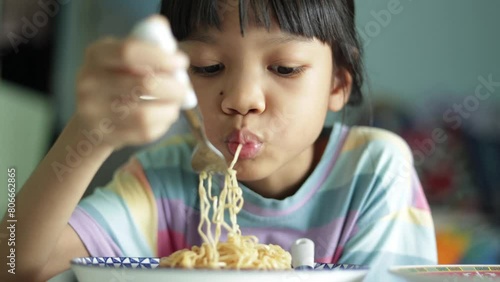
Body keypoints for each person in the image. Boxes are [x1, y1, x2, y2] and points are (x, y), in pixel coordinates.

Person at [0, 0, 437, 281]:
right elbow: (16, 261)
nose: (242, 100)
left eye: (284, 68)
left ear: (338, 84)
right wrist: (90, 133)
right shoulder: (166, 177)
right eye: (208, 67)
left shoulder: (374, 169)